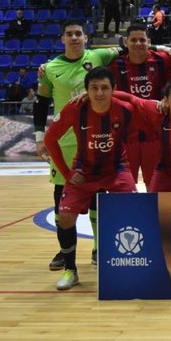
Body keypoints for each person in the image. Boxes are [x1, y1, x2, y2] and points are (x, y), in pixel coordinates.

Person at [35, 19, 124, 271]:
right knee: (60, 201)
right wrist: (39, 138)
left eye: (78, 34)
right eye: (69, 34)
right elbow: (41, 105)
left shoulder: (98, 55)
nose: (74, 38)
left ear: (86, 38)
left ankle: (99, 247)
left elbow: (131, 47)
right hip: (63, 145)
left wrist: (164, 49)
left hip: (95, 141)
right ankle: (65, 252)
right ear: (62, 39)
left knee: (98, 198)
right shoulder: (50, 68)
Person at [44, 67, 137, 290]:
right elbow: (50, 139)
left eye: (105, 88)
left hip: (116, 169)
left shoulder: (125, 109)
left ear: (114, 89)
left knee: (135, 210)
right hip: (84, 171)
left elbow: (141, 127)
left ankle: (130, 266)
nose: (99, 93)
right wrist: (67, 174)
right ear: (85, 91)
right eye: (94, 88)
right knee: (65, 218)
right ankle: (70, 270)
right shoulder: (75, 109)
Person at [108, 24, 171, 189]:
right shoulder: (114, 63)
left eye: (142, 40)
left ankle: (158, 216)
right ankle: (125, 215)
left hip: (154, 135)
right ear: (126, 42)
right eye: (134, 40)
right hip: (125, 135)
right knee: (122, 187)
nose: (138, 43)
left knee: (155, 185)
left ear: (149, 41)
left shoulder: (163, 59)